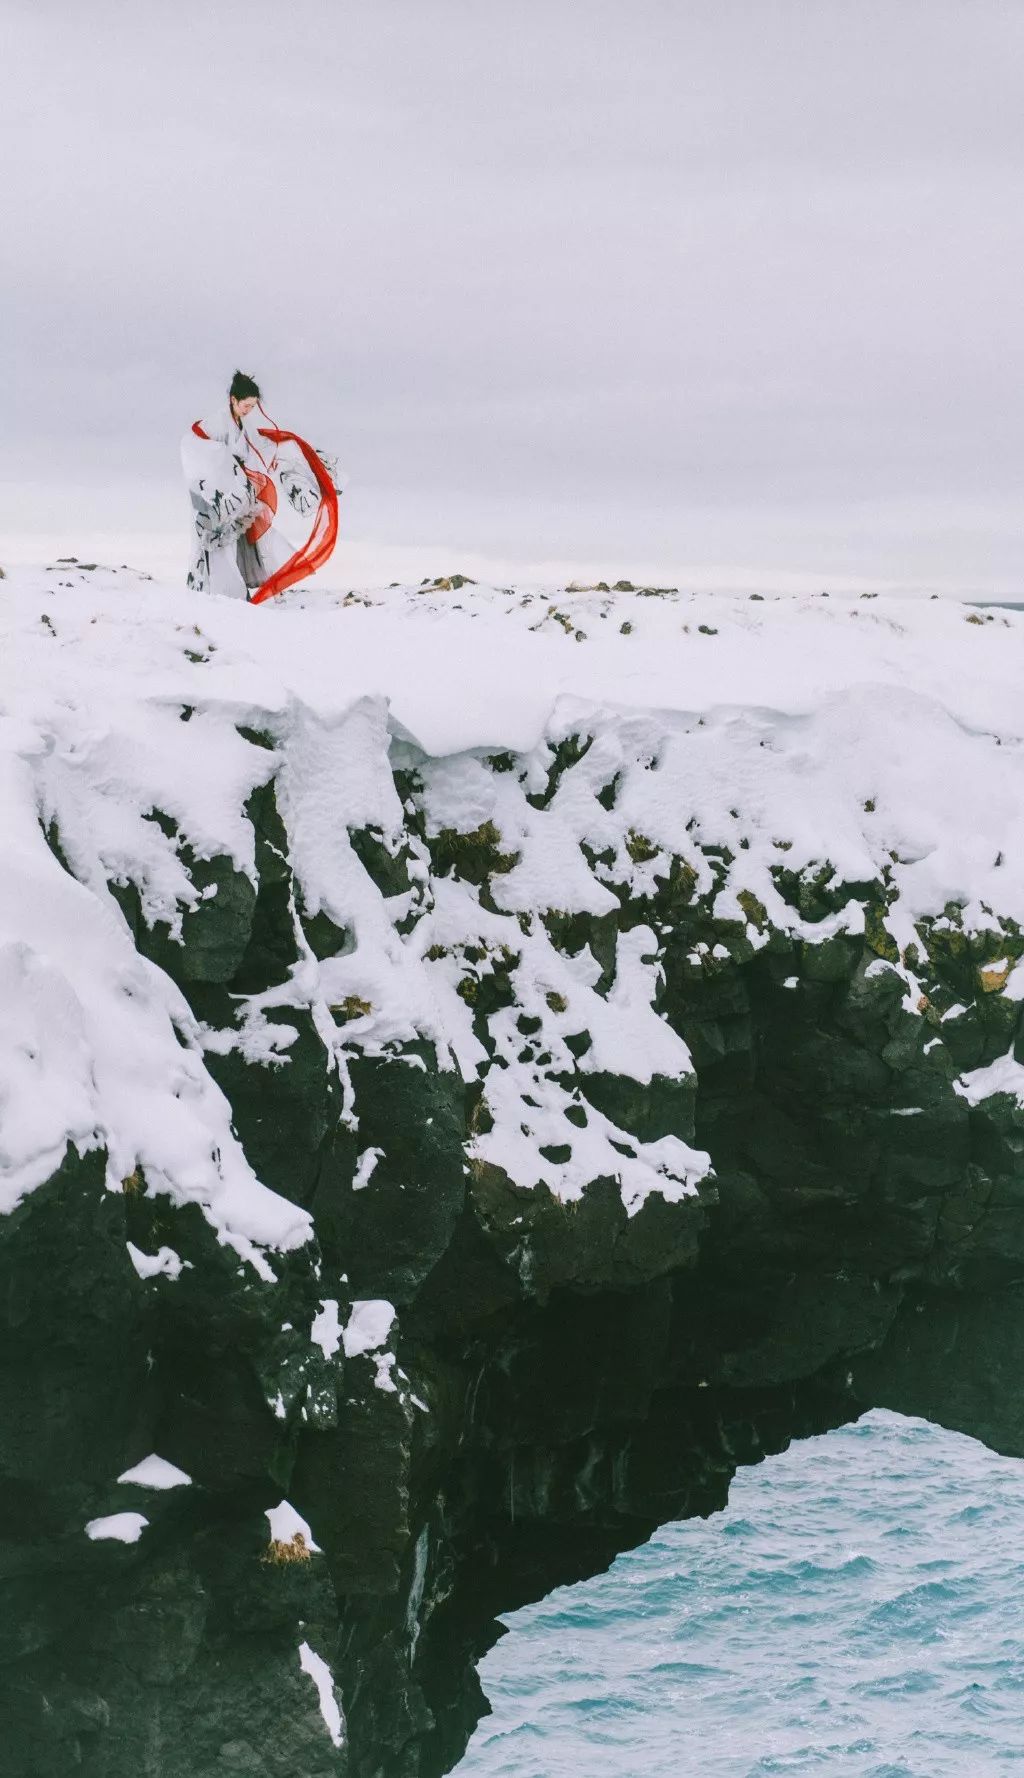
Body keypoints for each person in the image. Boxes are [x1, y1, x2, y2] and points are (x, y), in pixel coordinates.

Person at [181, 370, 341, 601]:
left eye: (252, 407)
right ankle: (216, 594)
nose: (249, 411)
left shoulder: (241, 427)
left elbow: (256, 450)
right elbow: (202, 451)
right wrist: (230, 474)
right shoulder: (215, 424)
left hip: (237, 495)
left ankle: (232, 594)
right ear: (233, 400)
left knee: (236, 543)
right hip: (217, 497)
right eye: (246, 405)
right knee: (216, 545)